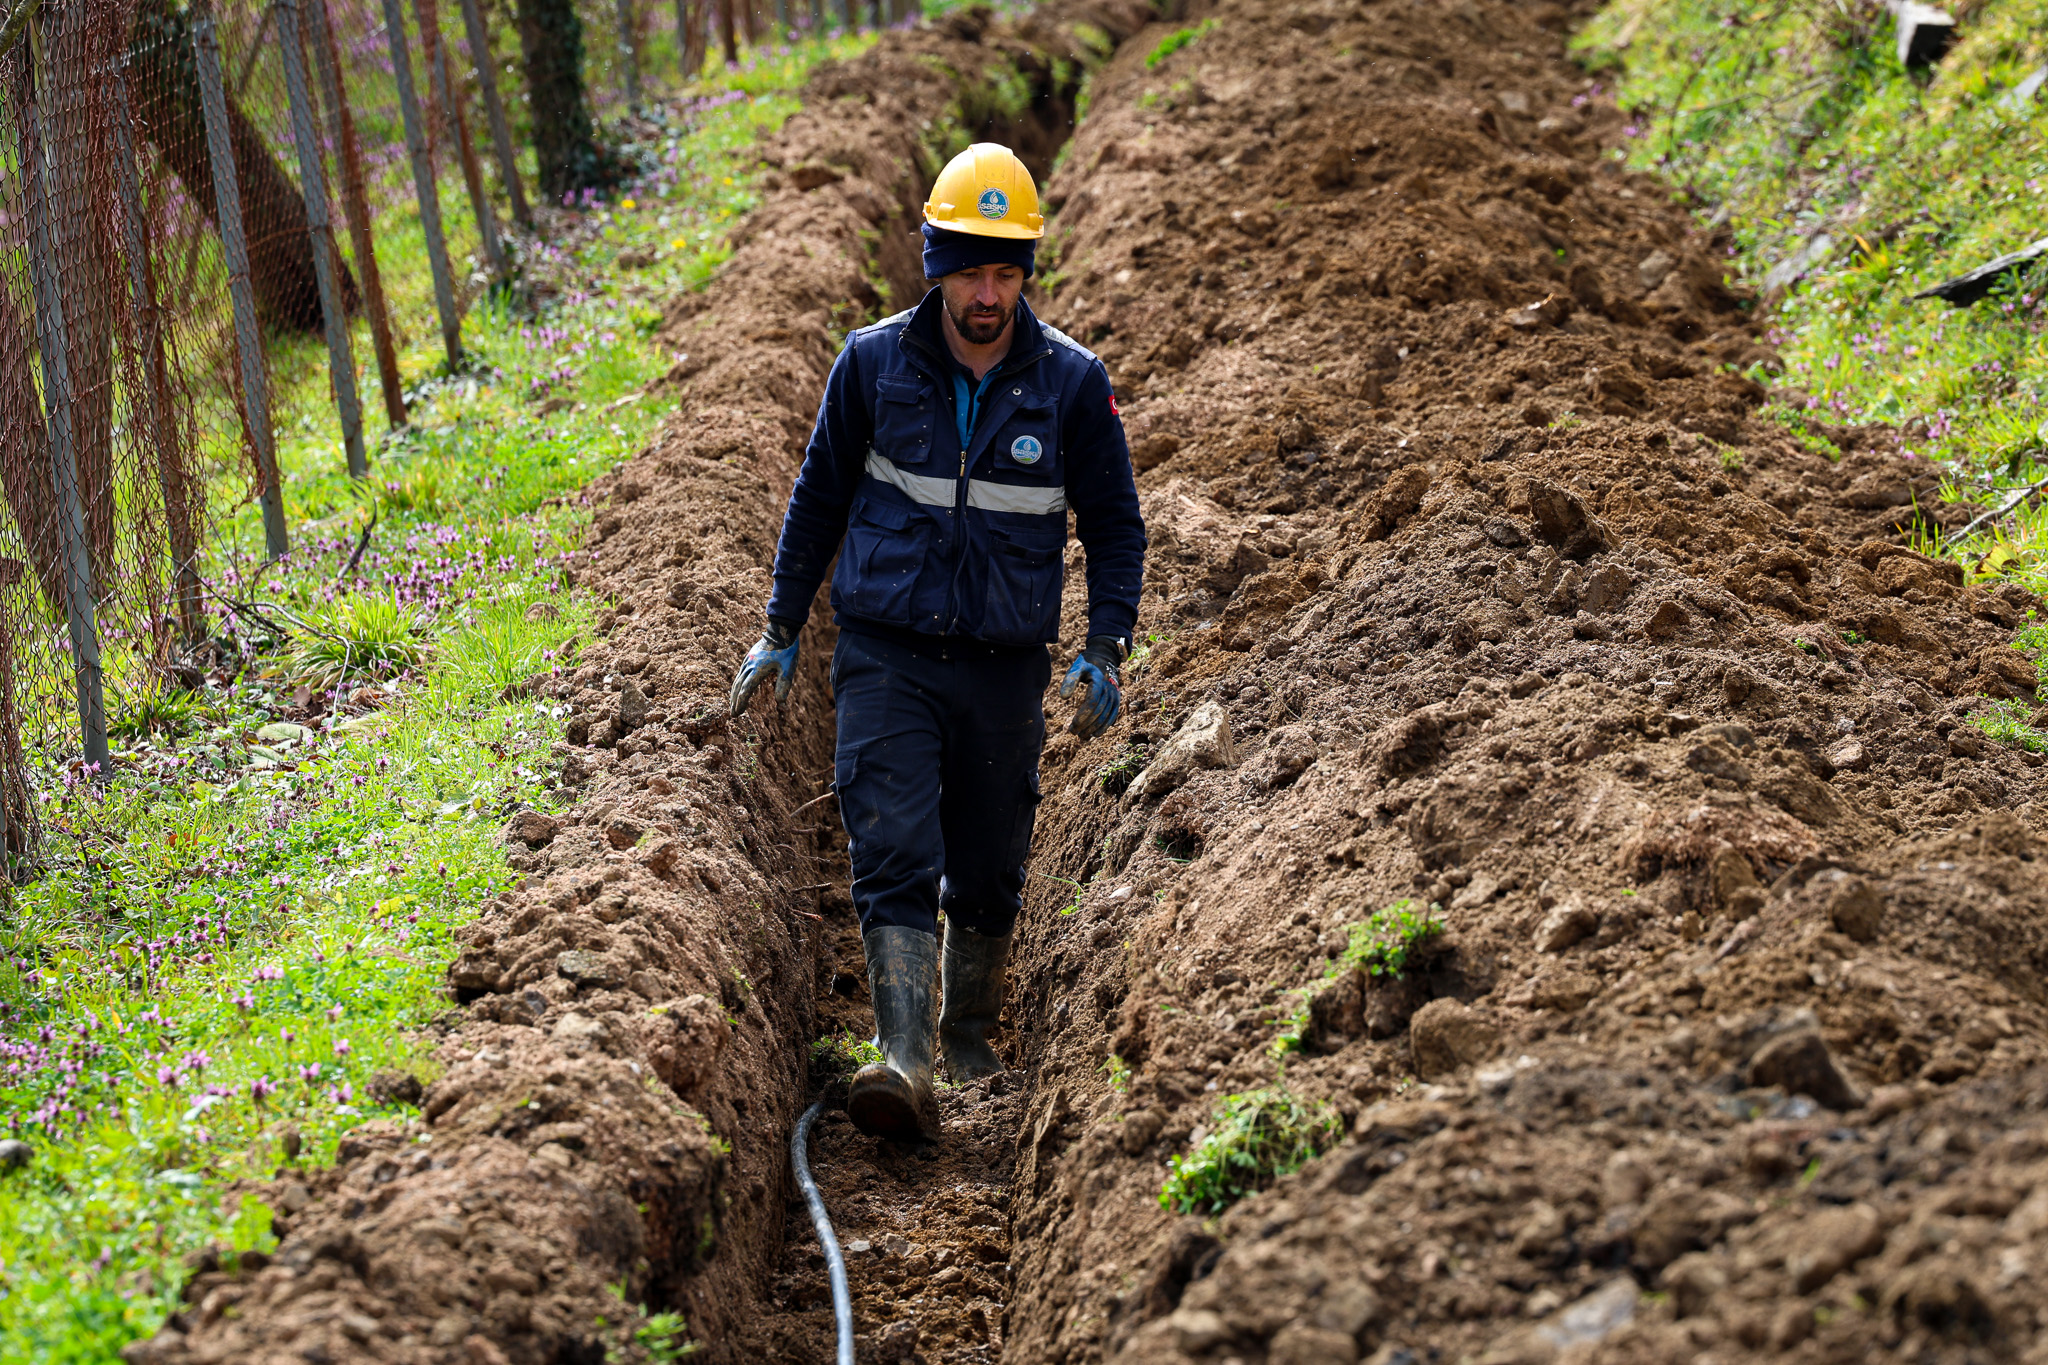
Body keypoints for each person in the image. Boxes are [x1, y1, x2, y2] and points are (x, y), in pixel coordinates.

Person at [727, 143, 1147, 1141]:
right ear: (935, 268)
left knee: (990, 866)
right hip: (886, 652)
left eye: (1005, 273)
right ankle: (903, 1054)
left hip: (1003, 667)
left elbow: (1116, 527)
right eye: (969, 274)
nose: (987, 296)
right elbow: (817, 496)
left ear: (1025, 273)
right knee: (894, 845)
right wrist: (782, 626)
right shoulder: (871, 366)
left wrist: (1106, 645)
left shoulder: (1072, 386)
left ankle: (965, 1037)